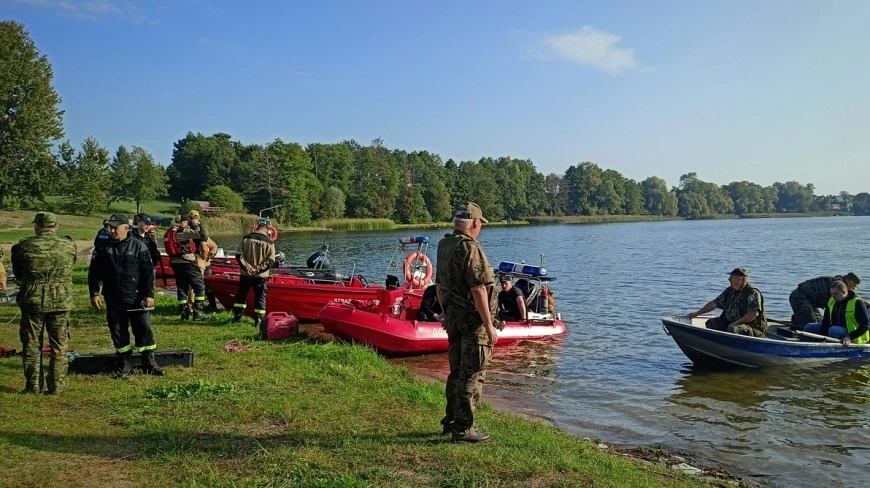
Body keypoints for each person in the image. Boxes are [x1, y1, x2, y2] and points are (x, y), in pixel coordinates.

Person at [435, 202, 499, 443]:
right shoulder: (470, 248)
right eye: (480, 222)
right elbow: (479, 289)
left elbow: (439, 285)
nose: (480, 226)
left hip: (453, 318)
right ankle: (463, 429)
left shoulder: (445, 244)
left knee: (456, 372)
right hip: (472, 322)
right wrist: (489, 324)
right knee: (472, 373)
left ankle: (450, 421)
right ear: (474, 223)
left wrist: (444, 312)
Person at [89, 214, 163, 377]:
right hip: (113, 297)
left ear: (126, 228)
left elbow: (148, 273)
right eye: (110, 227)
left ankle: (149, 362)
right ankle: (125, 363)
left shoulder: (138, 246)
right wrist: (94, 292)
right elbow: (94, 272)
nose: (112, 230)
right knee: (118, 330)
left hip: (136, 296)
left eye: (116, 227)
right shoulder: (103, 247)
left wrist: (149, 294)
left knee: (143, 329)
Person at [10, 212, 77, 394]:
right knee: (60, 344)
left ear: (37, 226)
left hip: (33, 299)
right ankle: (56, 386)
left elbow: (18, 274)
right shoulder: (69, 245)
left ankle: (33, 386)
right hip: (61, 300)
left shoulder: (24, 246)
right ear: (56, 226)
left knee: (32, 343)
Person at [688, 267, 767, 337]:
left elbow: (753, 314)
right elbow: (714, 303)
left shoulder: (752, 292)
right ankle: (717, 344)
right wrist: (697, 313)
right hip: (731, 322)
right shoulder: (730, 290)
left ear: (740, 279)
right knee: (712, 323)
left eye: (732, 277)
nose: (729, 279)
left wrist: (735, 323)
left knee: (733, 330)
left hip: (751, 327)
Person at [232, 222, 276, 338]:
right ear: (267, 230)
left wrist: (248, 268)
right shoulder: (269, 242)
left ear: (257, 227)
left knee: (241, 296)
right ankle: (259, 321)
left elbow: (239, 255)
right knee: (260, 298)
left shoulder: (246, 238)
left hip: (246, 274)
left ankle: (237, 317)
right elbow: (270, 261)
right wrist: (258, 269)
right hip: (260, 276)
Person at [163, 216, 208, 320]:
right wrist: (196, 224)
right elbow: (200, 234)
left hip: (175, 262)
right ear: (182, 222)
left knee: (182, 287)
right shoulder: (183, 232)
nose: (188, 224)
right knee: (199, 286)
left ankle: (184, 313)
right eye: (186, 222)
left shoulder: (169, 232)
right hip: (187, 261)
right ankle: (198, 312)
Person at [804, 280, 869, 347]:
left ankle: (831, 348)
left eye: (835, 294)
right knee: (809, 327)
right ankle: (807, 346)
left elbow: (865, 325)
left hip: (854, 334)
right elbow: (826, 321)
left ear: (843, 292)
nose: (833, 296)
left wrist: (849, 337)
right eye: (831, 293)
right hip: (834, 328)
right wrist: (822, 335)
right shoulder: (832, 300)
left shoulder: (857, 303)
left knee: (833, 330)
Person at [789, 273, 861, 328]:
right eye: (854, 286)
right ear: (849, 282)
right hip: (800, 297)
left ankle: (798, 320)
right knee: (810, 323)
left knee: (819, 322)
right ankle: (800, 328)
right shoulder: (838, 286)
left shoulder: (839, 283)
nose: (854, 289)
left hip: (810, 301)